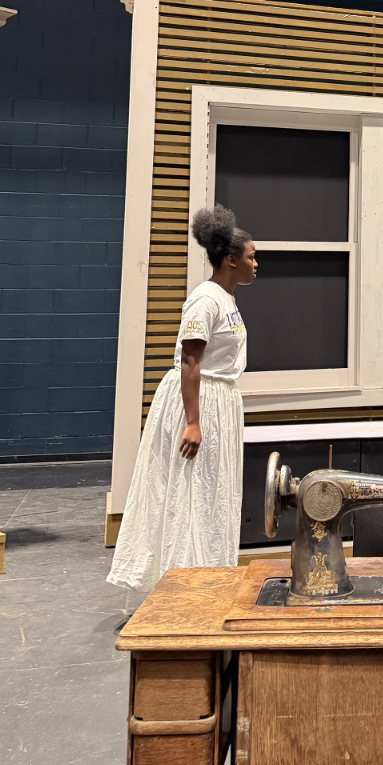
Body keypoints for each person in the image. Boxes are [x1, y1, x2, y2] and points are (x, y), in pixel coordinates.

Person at [107, 205, 257, 592]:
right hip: (198, 400)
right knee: (189, 491)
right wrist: (193, 420)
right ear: (230, 260)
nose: (256, 263)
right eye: (251, 256)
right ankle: (182, 583)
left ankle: (207, 578)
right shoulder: (205, 300)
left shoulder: (226, 299)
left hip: (218, 400)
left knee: (211, 494)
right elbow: (190, 359)